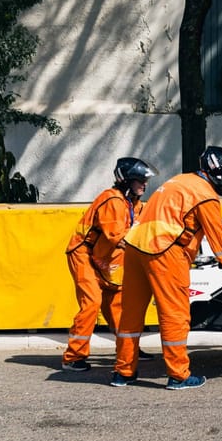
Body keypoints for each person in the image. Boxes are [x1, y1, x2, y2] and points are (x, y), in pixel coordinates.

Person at [111, 145, 222, 390]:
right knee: (175, 315)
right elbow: (220, 243)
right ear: (217, 173)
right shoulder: (205, 195)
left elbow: (173, 218)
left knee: (131, 315)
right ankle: (179, 375)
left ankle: (123, 372)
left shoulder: (180, 181)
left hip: (135, 248)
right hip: (164, 251)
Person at [61, 157, 157, 372]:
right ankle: (72, 357)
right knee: (92, 303)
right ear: (126, 180)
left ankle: (128, 349)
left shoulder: (133, 203)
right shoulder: (112, 200)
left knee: (118, 308)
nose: (144, 184)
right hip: (84, 254)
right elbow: (120, 238)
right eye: (139, 180)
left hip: (104, 257)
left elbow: (140, 229)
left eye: (145, 180)